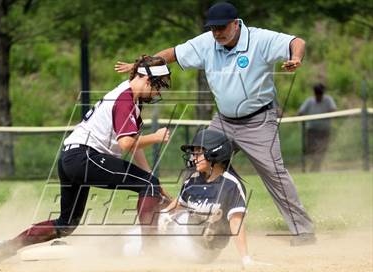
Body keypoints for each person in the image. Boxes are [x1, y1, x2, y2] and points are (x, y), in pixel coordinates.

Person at [115, 2, 315, 245]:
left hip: (259, 121)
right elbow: (174, 54)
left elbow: (297, 42)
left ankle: (303, 231)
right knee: (198, 163)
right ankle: (188, 224)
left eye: (221, 28)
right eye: (213, 29)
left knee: (274, 174)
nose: (217, 33)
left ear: (235, 23)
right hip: (224, 121)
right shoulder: (207, 42)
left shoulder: (260, 39)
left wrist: (296, 58)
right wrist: (143, 67)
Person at [0, 55, 172, 263]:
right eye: (158, 86)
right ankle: (152, 253)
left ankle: (7, 247)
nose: (158, 92)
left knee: (66, 224)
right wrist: (156, 138)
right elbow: (126, 144)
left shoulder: (128, 97)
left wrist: (152, 182)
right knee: (147, 185)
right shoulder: (125, 99)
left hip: (70, 157)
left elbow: (134, 145)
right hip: (85, 156)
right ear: (147, 79)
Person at [157, 129, 264, 267]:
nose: (193, 158)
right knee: (163, 218)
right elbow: (181, 202)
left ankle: (143, 249)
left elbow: (236, 223)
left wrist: (245, 258)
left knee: (134, 245)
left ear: (214, 153)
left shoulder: (230, 184)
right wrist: (165, 212)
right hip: (188, 242)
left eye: (198, 153)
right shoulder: (193, 180)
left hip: (204, 249)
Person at [298, 83, 337, 171]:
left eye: (320, 94)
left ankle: (316, 167)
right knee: (311, 150)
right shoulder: (309, 101)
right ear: (314, 93)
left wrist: (327, 115)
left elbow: (334, 110)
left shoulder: (328, 100)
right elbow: (300, 112)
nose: (319, 96)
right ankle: (312, 166)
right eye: (317, 94)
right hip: (312, 131)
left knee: (322, 150)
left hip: (324, 131)